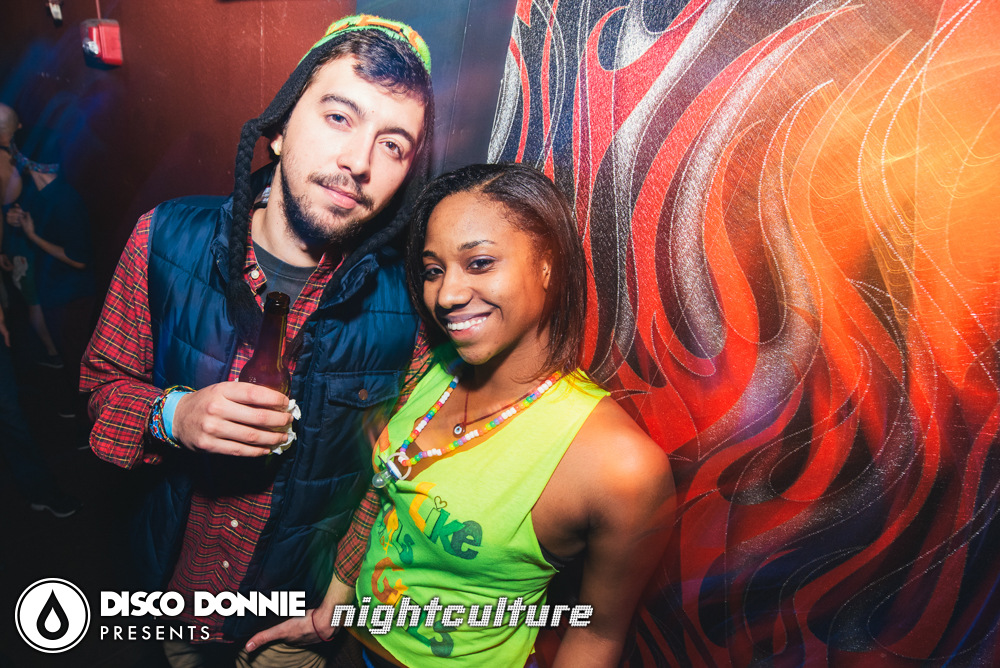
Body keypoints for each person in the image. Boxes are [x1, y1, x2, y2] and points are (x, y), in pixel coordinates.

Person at [81, 14, 435, 666]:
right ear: (280, 125)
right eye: (339, 116)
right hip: (164, 600)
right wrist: (174, 415)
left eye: (393, 145)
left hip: (285, 628)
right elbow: (101, 391)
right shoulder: (163, 239)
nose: (358, 162)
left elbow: (394, 476)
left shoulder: (411, 311)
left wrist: (340, 599)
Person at [247, 163, 675, 666]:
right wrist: (334, 607)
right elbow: (382, 495)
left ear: (548, 265)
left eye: (479, 263)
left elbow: (597, 634)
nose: (447, 296)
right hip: (349, 644)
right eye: (434, 270)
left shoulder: (619, 465)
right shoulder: (430, 367)